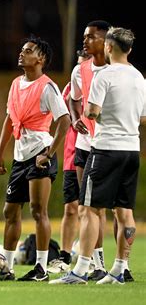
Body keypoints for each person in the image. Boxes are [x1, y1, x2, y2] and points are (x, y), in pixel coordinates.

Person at [51, 27, 145, 285]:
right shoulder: (139, 78)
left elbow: (91, 112)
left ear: (109, 47)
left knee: (90, 209)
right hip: (131, 150)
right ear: (130, 49)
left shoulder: (105, 75)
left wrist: (95, 115)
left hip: (106, 148)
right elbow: (143, 118)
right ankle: (119, 269)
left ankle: (79, 271)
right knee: (125, 211)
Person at [0, 35, 70, 281]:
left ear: (41, 59)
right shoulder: (16, 84)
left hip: (40, 154)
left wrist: (48, 153)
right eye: (22, 49)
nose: (21, 53)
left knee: (39, 211)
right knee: (10, 211)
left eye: (28, 51)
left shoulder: (48, 87)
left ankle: (40, 268)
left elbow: (64, 121)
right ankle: (6, 267)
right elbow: (10, 119)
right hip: (20, 156)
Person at [68, 20, 114, 281]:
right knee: (85, 206)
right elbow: (74, 99)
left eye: (91, 37)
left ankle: (110, 265)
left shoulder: (116, 70)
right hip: (84, 145)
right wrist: (76, 119)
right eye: (84, 36)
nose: (85, 41)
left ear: (106, 41)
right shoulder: (80, 70)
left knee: (100, 208)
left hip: (108, 145)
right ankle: (94, 264)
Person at [47, 49, 91, 274]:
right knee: (71, 208)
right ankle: (64, 255)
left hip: (94, 152)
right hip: (72, 156)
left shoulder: (99, 85)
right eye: (79, 64)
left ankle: (90, 257)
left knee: (90, 209)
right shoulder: (68, 91)